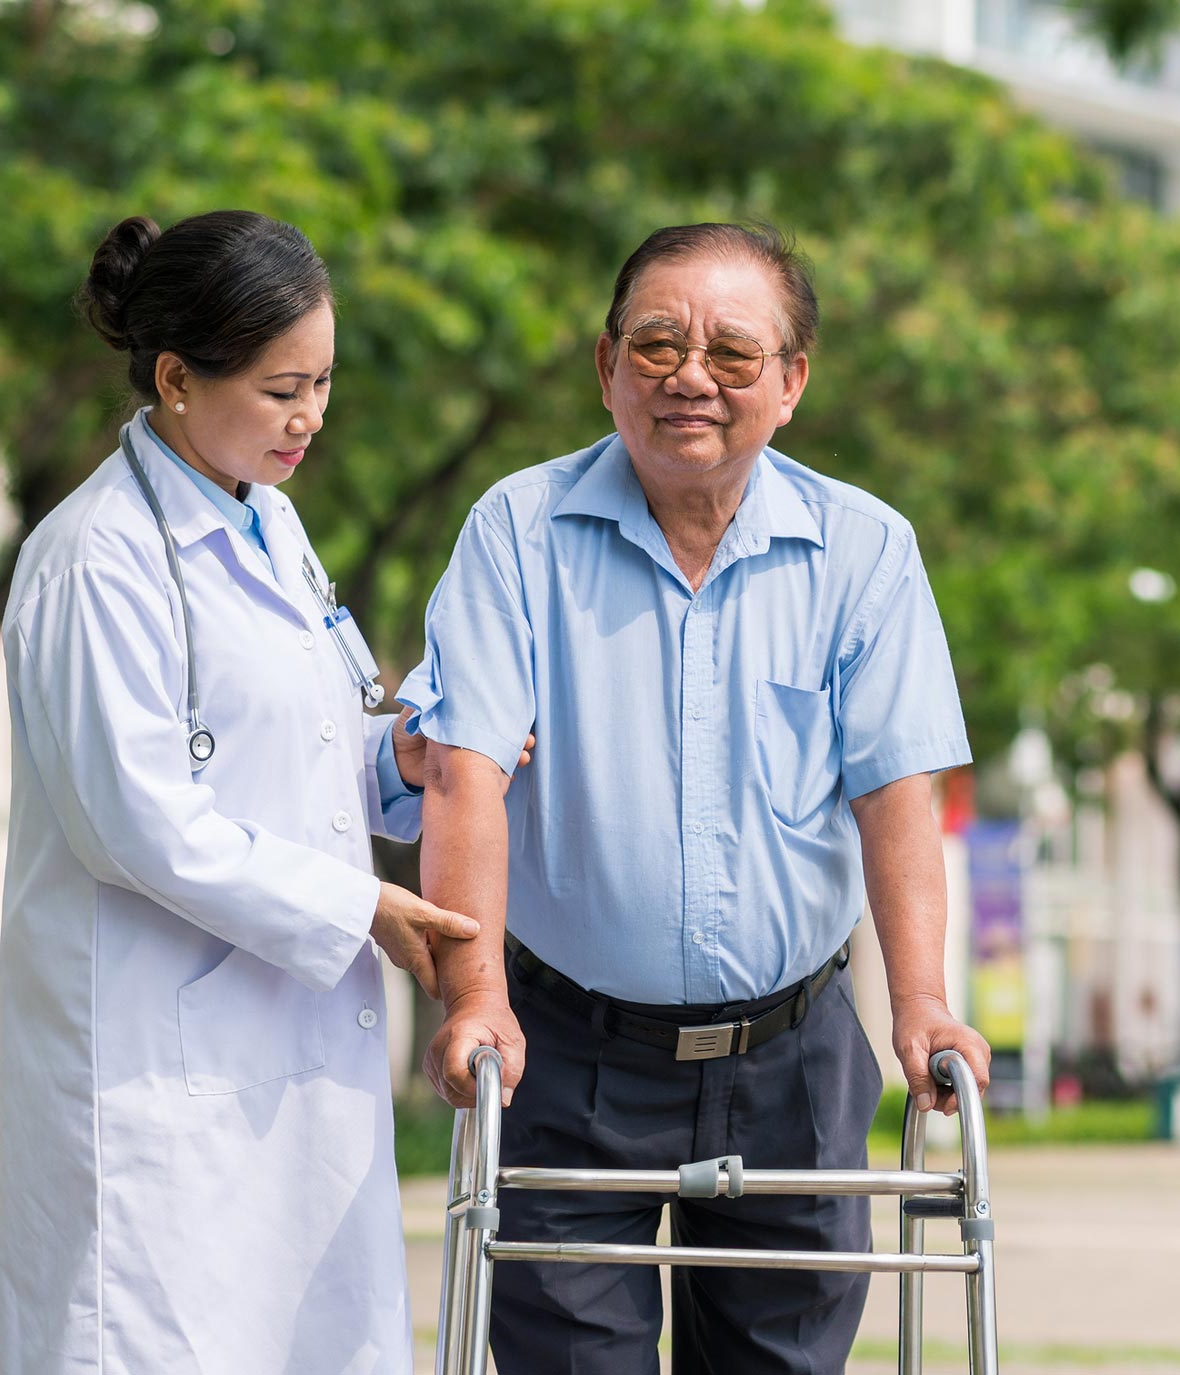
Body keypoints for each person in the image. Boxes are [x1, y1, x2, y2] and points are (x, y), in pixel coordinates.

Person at [400, 222, 992, 1375]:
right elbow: (466, 773)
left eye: (732, 353)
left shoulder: (864, 550)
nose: (690, 377)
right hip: (565, 1049)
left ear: (792, 384)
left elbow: (895, 797)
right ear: (606, 366)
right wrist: (474, 995)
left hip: (796, 1061)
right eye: (658, 342)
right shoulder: (515, 532)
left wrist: (920, 1002)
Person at [0, 211, 496, 1375]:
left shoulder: (269, 520)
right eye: (280, 390)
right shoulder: (95, 556)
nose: (310, 417)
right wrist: (362, 905)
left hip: (287, 1051)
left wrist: (398, 766)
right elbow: (138, 819)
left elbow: (307, 740)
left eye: (321, 384)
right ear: (175, 378)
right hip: (155, 1077)